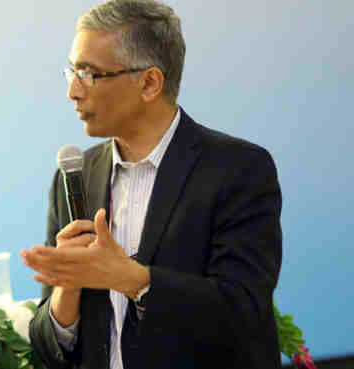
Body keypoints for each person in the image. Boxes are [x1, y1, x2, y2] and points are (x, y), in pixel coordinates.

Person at [20, 1, 282, 368]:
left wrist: (135, 281)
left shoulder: (236, 169)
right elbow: (51, 351)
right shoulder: (75, 176)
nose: (73, 92)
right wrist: (68, 288)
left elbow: (243, 312)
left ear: (149, 83)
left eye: (89, 73)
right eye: (72, 72)